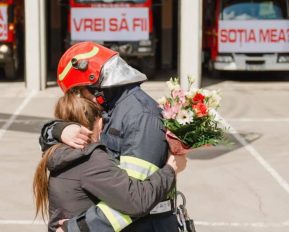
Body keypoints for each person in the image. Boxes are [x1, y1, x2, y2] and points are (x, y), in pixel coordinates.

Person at [40, 42, 187, 232]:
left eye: (78, 91)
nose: (79, 98)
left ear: (94, 83)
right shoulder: (113, 110)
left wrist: (76, 228)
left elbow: (134, 200)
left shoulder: (140, 116)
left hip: (147, 225)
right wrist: (59, 129)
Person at [33, 93, 184, 232]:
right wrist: (171, 169)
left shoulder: (56, 152)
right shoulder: (90, 159)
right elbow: (137, 201)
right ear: (98, 122)